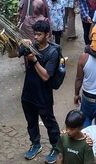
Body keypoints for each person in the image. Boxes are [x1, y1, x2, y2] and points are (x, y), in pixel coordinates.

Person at [20, 20, 61, 163]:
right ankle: (36, 144)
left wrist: (34, 60)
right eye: (35, 34)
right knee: (31, 122)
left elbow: (45, 76)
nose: (36, 37)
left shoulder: (53, 52)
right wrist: (16, 43)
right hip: (28, 94)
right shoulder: (31, 46)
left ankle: (56, 147)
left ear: (47, 35)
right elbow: (12, 54)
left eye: (39, 35)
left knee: (50, 123)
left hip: (43, 96)